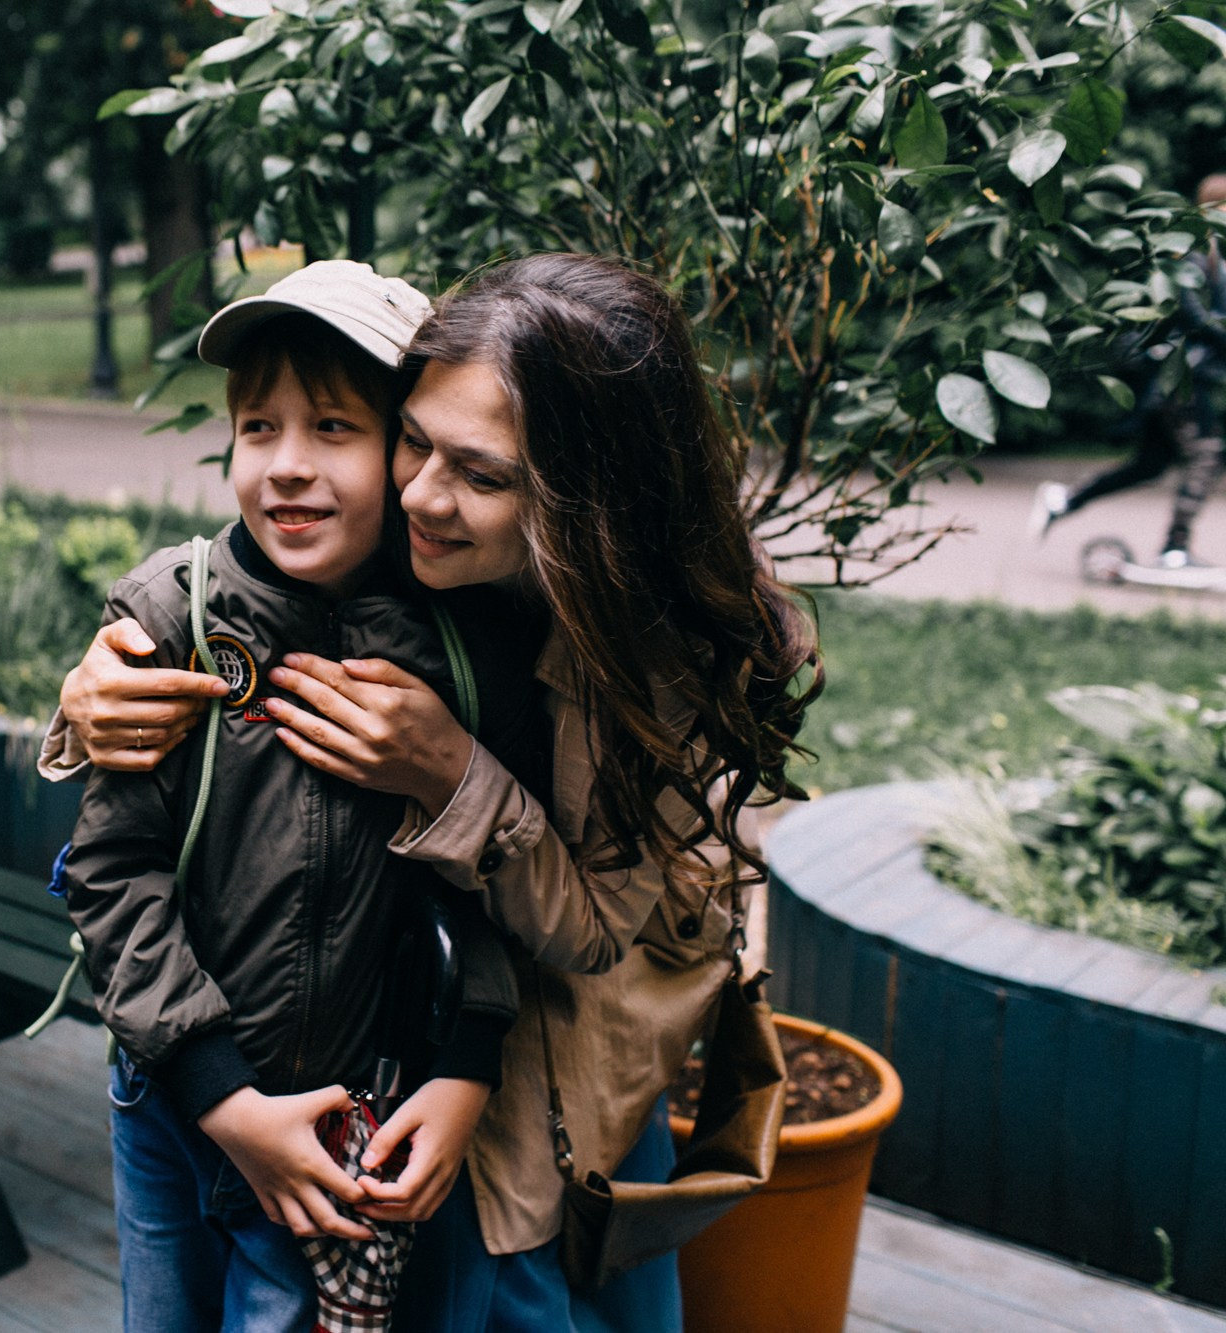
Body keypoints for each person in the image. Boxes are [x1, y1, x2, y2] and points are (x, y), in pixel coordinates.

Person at [52, 253, 821, 1331]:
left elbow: (572, 923)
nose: (417, 493)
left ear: (579, 503)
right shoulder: (368, 576)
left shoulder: (624, 651)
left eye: (481, 475)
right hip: (279, 1066)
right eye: (412, 441)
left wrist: (451, 775)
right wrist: (93, 693)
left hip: (559, 1053)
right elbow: (134, 829)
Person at [53, 260, 521, 1331]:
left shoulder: (459, 642)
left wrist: (468, 1062)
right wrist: (218, 1092)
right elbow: (109, 869)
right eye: (257, 429)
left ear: (404, 451)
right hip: (173, 1095)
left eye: (334, 428)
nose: (288, 466)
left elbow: (481, 886)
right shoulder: (177, 621)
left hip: (336, 1120)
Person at [1030, 174, 1226, 568]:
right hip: (1177, 375)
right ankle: (1174, 549)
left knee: (1150, 464)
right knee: (1206, 455)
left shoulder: (1214, 256)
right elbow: (1192, 315)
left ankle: (1064, 500)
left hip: (1181, 375)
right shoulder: (1192, 251)